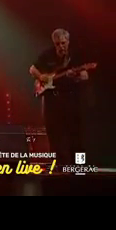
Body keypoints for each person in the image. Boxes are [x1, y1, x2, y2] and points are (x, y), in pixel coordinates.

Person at [29, 28, 89, 167]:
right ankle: (58, 166)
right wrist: (41, 77)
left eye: (63, 43)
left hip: (71, 99)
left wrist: (77, 76)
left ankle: (79, 166)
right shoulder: (47, 55)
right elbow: (32, 69)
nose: (61, 46)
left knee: (76, 135)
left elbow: (85, 75)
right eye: (58, 44)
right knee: (54, 134)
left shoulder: (75, 56)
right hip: (53, 100)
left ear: (68, 41)